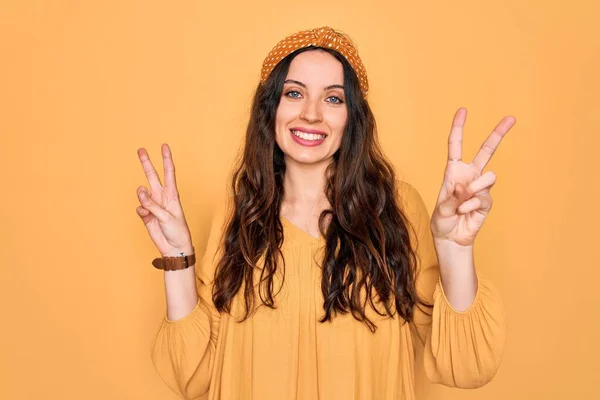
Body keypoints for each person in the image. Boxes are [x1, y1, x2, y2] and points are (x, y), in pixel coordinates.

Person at [136, 26, 514, 400]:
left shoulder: (396, 209)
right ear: (270, 109)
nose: (312, 114)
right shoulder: (239, 214)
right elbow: (192, 376)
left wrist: (455, 248)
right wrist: (178, 258)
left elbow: (467, 366)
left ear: (352, 118)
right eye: (294, 93)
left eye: (333, 99)